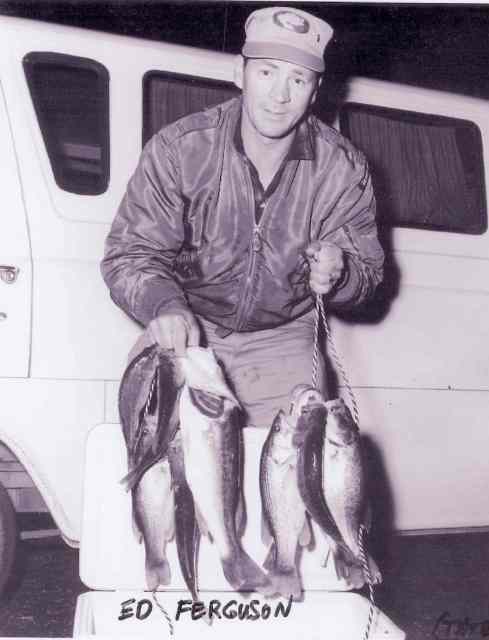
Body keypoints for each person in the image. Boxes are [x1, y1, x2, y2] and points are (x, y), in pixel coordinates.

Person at [101, 6, 384, 429]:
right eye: (267, 72)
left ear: (316, 89)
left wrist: (341, 273)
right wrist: (164, 305)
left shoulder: (342, 168)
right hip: (189, 328)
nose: (280, 95)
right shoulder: (181, 149)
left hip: (283, 341)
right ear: (240, 72)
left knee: (290, 481)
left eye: (298, 79)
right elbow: (130, 255)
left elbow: (369, 274)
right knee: (158, 468)